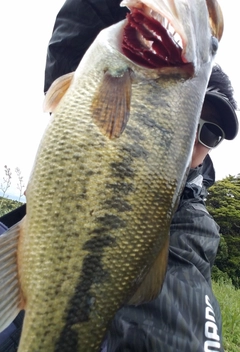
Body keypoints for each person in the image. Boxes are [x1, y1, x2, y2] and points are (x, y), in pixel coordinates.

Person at [0, 1, 238, 351]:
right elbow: (78, 30)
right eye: (194, 116)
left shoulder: (194, 239)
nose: (192, 140)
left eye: (211, 133)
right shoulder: (104, 70)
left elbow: (182, 328)